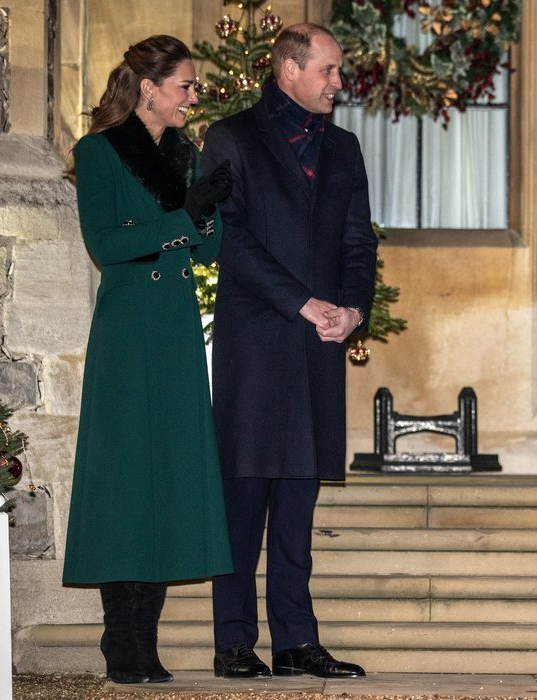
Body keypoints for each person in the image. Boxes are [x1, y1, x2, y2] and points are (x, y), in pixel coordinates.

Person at [201, 23, 377, 680]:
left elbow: (359, 244)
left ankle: (296, 642)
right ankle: (234, 643)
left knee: (299, 505)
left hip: (319, 349)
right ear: (288, 70)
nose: (339, 82)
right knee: (243, 500)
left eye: (338, 71)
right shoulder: (231, 137)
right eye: (329, 70)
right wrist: (301, 302)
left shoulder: (346, 148)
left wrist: (353, 310)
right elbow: (229, 236)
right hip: (258, 346)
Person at [62, 35, 234, 684]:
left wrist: (208, 210)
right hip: (129, 332)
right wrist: (181, 217)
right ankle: (122, 637)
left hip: (174, 334)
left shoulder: (182, 155)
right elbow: (106, 242)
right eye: (185, 86)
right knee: (125, 482)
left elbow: (208, 253)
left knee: (166, 476)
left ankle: (146, 638)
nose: (194, 96)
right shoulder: (98, 152)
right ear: (149, 89)